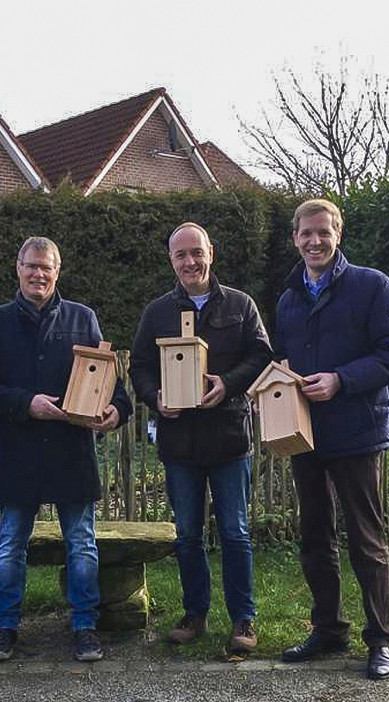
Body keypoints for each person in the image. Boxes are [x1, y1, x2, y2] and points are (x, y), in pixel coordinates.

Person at [273, 199, 389, 680]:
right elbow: (283, 360)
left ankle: (380, 640)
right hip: (305, 434)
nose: (314, 241)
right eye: (305, 234)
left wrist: (341, 379)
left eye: (323, 233)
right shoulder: (289, 298)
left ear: (338, 235)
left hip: (358, 430)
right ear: (294, 238)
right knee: (314, 536)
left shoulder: (372, 286)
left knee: (365, 538)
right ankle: (329, 629)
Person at [0, 236, 132, 663]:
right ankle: (5, 627)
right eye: (30, 266)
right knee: (9, 545)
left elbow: (109, 383)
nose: (38, 274)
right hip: (20, 449)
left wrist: (115, 411)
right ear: (17, 268)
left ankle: (85, 626)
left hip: (71, 449)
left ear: (57, 271)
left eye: (46, 267)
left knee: (81, 542)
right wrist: (26, 403)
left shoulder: (83, 319)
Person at [130, 222, 272, 655]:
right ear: (171, 260)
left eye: (196, 252)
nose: (190, 262)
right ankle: (195, 614)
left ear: (212, 252)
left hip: (229, 437)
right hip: (180, 443)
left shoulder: (241, 305)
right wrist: (155, 397)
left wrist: (226, 384)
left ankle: (243, 618)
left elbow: (261, 354)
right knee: (188, 534)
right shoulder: (157, 312)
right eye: (180, 255)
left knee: (235, 532)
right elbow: (138, 366)